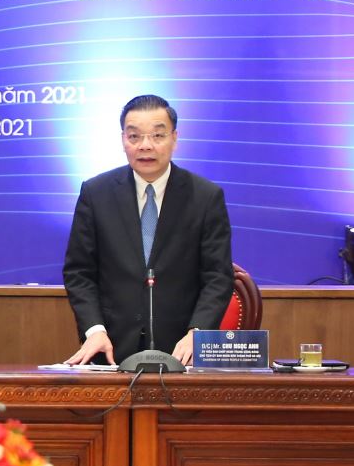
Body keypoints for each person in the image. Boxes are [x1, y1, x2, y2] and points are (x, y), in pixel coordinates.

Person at [63, 94, 235, 366]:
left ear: (174, 138)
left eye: (157, 135)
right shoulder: (96, 193)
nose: (145, 145)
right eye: (134, 136)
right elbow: (79, 272)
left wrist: (197, 332)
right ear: (123, 139)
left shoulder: (205, 197)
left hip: (182, 351)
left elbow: (218, 276)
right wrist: (94, 330)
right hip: (111, 349)